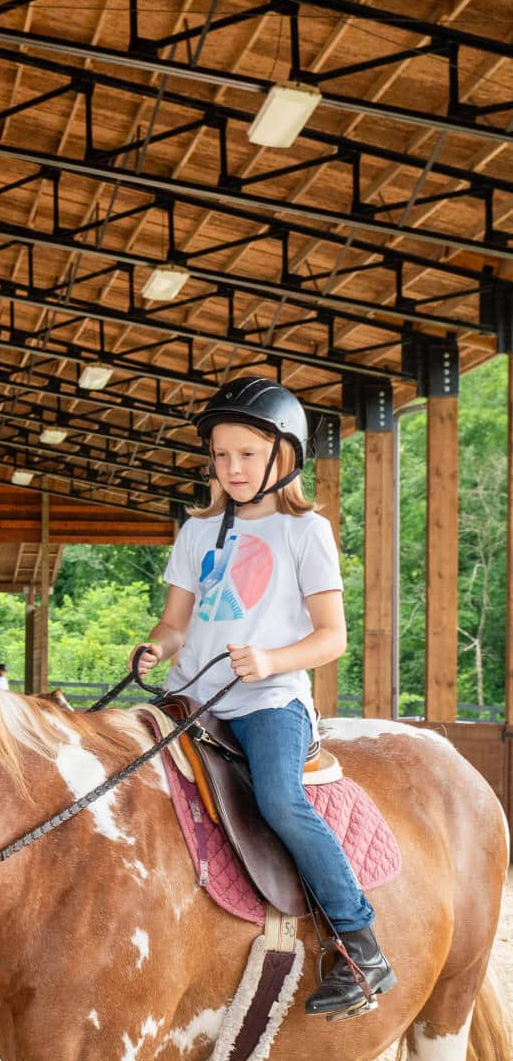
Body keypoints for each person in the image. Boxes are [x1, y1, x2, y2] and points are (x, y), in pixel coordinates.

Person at [135, 375, 392, 1018]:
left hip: (268, 702)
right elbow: (175, 623)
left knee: (279, 799)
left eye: (247, 455)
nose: (233, 467)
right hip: (188, 698)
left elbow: (331, 637)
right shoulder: (196, 531)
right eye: (222, 455)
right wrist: (155, 649)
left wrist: (271, 660)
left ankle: (360, 945)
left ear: (283, 457)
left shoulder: (306, 532)